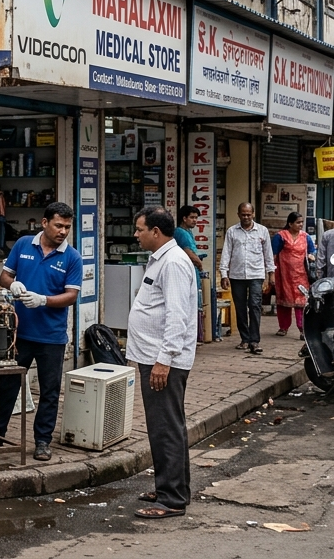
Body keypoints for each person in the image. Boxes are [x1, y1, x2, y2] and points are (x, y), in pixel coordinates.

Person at [0, 202, 82, 461]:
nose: (63, 231)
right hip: (19, 333)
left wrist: (44, 300)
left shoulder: (72, 257)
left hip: (51, 336)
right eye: (58, 225)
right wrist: (13, 284)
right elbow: (4, 276)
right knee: (6, 386)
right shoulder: (24, 244)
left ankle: (42, 442)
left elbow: (71, 295)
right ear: (44, 222)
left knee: (49, 391)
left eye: (67, 227)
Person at [128, 207, 199, 519]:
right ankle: (173, 486)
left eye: (140, 229)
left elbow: (177, 316)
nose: (136, 234)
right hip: (154, 356)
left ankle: (171, 499)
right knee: (170, 426)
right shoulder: (161, 259)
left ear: (156, 232)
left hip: (163, 360)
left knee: (164, 428)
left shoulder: (173, 263)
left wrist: (163, 361)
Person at [218, 202, 274, 354]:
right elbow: (226, 254)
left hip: (256, 274)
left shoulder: (262, 231)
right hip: (237, 275)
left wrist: (271, 274)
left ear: (253, 214)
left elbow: (268, 254)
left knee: (255, 306)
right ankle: (245, 339)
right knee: (240, 307)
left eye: (249, 214)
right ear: (238, 215)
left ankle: (254, 341)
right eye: (243, 214)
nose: (246, 217)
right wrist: (224, 274)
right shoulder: (232, 232)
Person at [271, 212, 316, 337]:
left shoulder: (306, 236)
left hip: (301, 275)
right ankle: (283, 327)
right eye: (298, 222)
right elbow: (273, 254)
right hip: (284, 274)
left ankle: (303, 330)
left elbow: (312, 249)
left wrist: (312, 255)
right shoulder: (280, 236)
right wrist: (271, 273)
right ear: (290, 224)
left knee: (301, 303)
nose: (301, 224)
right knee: (283, 302)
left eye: (302, 222)